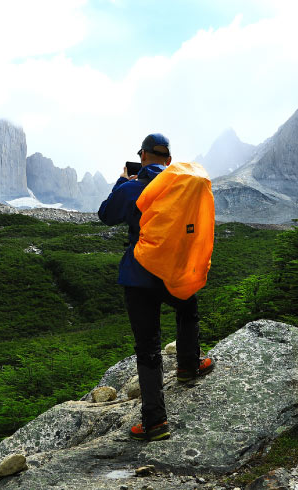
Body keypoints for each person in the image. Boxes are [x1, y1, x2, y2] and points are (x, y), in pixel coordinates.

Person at [97, 133, 215, 442]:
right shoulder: (184, 185)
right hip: (174, 270)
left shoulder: (133, 187)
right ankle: (189, 365)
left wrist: (121, 182)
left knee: (147, 347)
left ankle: (155, 421)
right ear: (169, 161)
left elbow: (106, 215)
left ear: (144, 156)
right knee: (187, 308)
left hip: (138, 275)